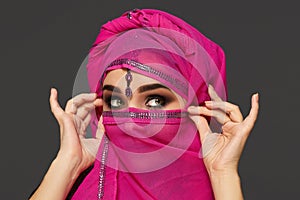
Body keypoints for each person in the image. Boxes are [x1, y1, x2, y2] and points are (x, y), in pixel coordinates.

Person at [30, 9, 259, 200]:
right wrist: (67, 163)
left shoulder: (219, 189)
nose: (129, 122)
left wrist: (223, 174)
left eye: (155, 100)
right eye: (116, 101)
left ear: (198, 105)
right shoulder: (88, 189)